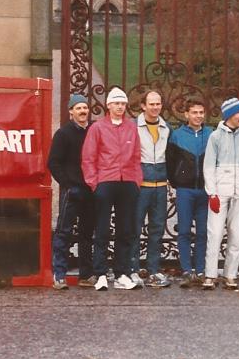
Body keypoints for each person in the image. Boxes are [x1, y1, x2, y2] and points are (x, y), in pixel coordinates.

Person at [81, 86, 144, 291]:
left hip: (127, 183)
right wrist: (94, 183)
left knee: (125, 230)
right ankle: (100, 274)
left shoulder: (131, 128)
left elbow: (136, 156)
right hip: (105, 182)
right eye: (116, 103)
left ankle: (121, 273)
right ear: (108, 105)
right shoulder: (97, 128)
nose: (120, 107)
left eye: (123, 104)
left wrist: (136, 181)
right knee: (102, 229)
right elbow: (88, 158)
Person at [202, 97, 239, 290]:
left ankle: (230, 275)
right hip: (220, 192)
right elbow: (208, 167)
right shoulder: (215, 137)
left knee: (236, 235)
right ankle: (210, 274)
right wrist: (212, 194)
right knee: (215, 233)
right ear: (229, 115)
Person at [47, 94, 95, 290]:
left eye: (85, 108)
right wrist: (67, 183)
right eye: (78, 108)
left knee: (87, 234)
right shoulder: (63, 134)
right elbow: (53, 162)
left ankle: (85, 275)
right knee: (63, 232)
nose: (82, 111)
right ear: (71, 112)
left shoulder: (93, 131)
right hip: (72, 190)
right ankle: (59, 274)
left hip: (90, 189)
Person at [166, 97, 212, 287]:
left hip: (204, 189)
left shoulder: (211, 134)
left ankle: (200, 270)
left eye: (201, 112)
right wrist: (176, 181)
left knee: (202, 232)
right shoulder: (177, 135)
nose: (198, 116)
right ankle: (186, 270)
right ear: (186, 114)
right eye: (194, 112)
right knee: (184, 231)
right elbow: (170, 161)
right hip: (185, 190)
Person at [132, 90, 171, 288]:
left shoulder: (166, 128)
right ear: (143, 106)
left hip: (160, 186)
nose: (155, 107)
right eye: (152, 104)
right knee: (134, 228)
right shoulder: (133, 127)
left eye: (158, 104)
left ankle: (154, 269)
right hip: (141, 185)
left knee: (156, 230)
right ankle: (133, 268)